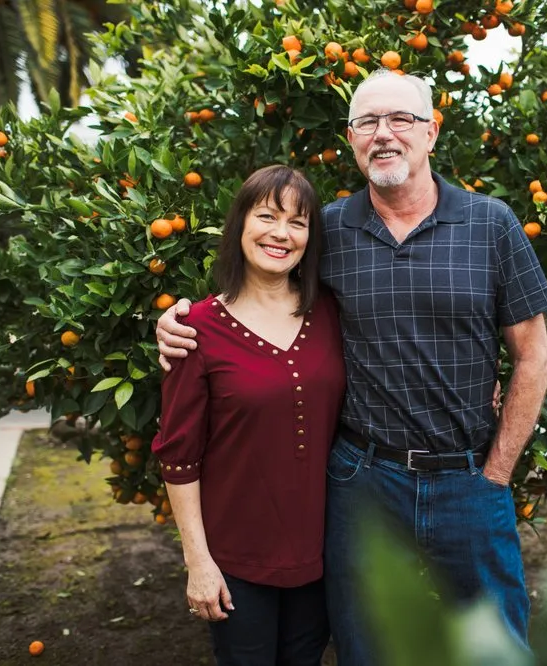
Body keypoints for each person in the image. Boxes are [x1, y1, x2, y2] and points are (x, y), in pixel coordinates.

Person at [156, 70, 547, 664]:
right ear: (351, 138)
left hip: (469, 479)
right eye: (367, 122)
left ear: (431, 133)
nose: (384, 133)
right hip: (362, 482)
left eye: (401, 119)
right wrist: (181, 319)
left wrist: (497, 471)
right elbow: (264, 283)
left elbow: (533, 357)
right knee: (365, 645)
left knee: (494, 644)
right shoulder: (331, 230)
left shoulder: (490, 224)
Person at [151, 164, 345, 666]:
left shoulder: (331, 313)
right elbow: (178, 455)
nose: (281, 233)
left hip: (323, 551)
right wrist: (198, 562)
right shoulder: (193, 328)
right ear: (239, 225)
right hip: (236, 557)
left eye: (298, 222)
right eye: (267, 216)